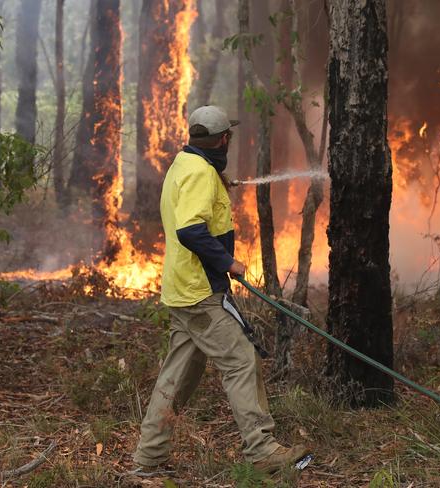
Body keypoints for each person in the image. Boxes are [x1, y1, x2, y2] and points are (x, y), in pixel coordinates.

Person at [132, 106, 307, 474]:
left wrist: (217, 183)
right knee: (242, 359)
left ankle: (149, 456)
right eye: (229, 136)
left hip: (182, 288)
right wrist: (228, 263)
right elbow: (191, 230)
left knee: (177, 375)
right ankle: (262, 450)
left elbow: (191, 205)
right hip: (201, 291)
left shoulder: (185, 164)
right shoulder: (199, 173)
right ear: (223, 139)